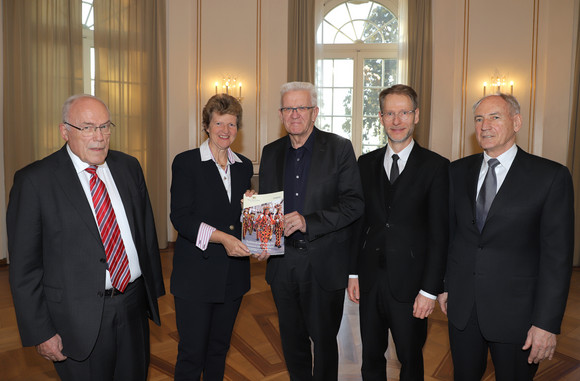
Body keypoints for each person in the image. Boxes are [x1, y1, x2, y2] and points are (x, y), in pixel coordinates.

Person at [7, 94, 165, 380]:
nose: (100, 137)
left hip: (132, 306)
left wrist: (151, 296)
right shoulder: (34, 181)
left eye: (105, 126)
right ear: (64, 131)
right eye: (88, 127)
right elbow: (24, 269)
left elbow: (145, 234)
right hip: (75, 320)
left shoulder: (128, 167)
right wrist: (41, 331)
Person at [437, 93, 574, 381]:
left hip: (519, 317)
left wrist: (546, 324)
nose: (484, 125)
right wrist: (446, 285)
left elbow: (557, 260)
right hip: (464, 310)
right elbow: (452, 236)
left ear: (516, 122)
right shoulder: (457, 171)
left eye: (494, 117)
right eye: (478, 118)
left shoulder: (550, 177)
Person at [258, 81, 364, 380]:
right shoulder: (270, 152)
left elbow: (354, 204)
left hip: (323, 263)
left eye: (301, 108)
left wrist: (309, 221)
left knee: (325, 343)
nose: (294, 114)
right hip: (282, 263)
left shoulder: (339, 148)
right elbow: (268, 204)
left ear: (314, 112)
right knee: (292, 344)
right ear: (281, 114)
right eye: (288, 108)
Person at [347, 84, 449, 380]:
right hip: (369, 281)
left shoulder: (436, 167)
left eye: (404, 112)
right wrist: (353, 273)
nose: (397, 120)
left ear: (416, 116)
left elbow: (440, 234)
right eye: (390, 113)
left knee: (410, 359)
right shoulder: (365, 164)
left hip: (413, 284)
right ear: (380, 117)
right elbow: (358, 223)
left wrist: (430, 290)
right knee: (370, 358)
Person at [170, 94, 254, 380]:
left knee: (219, 349)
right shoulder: (186, 163)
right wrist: (223, 238)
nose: (225, 130)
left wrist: (251, 211)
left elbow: (238, 220)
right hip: (196, 274)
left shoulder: (244, 166)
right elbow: (181, 218)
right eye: (219, 122)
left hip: (233, 275)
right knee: (192, 353)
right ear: (206, 125)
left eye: (231, 124)